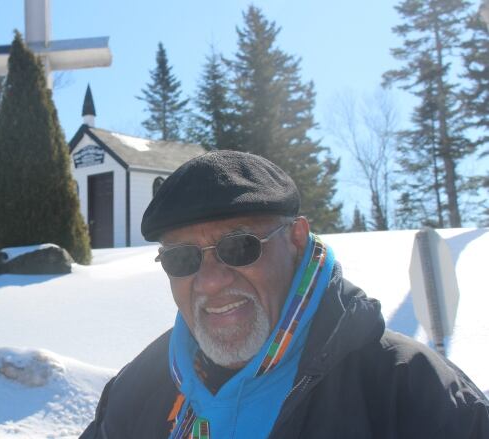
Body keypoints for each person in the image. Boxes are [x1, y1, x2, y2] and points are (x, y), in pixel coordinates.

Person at [79, 150, 488, 438]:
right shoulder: (139, 390)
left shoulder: (409, 392)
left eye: (238, 247)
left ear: (296, 239)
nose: (211, 281)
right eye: (182, 259)